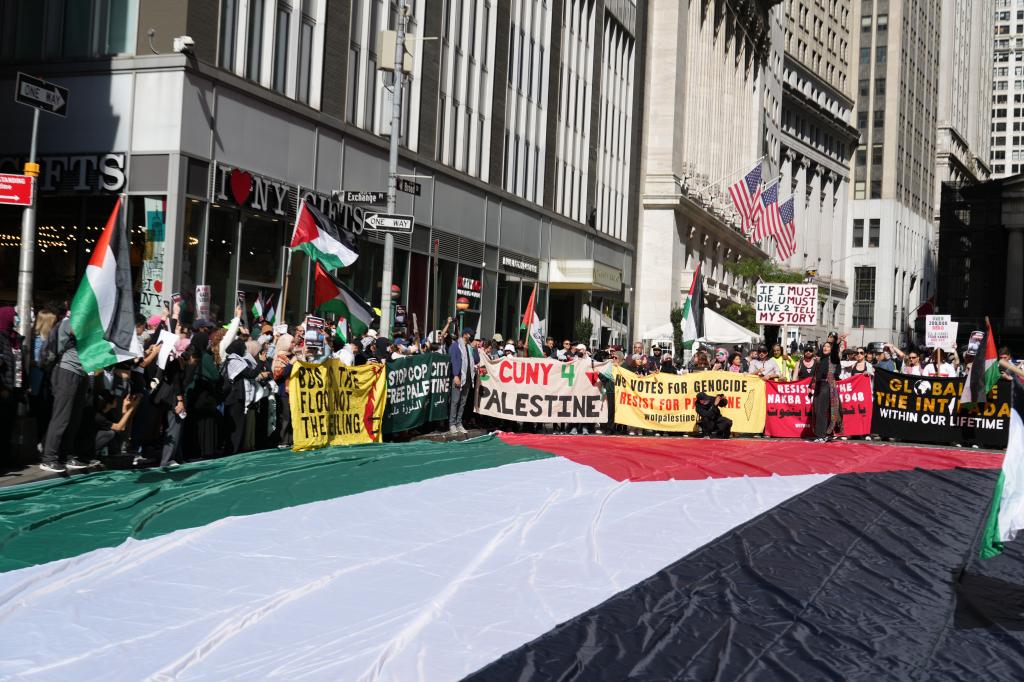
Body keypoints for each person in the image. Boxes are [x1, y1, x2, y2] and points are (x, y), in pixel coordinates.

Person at [40, 313, 93, 473]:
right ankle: (49, 458)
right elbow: (79, 333)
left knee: (74, 418)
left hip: (81, 373)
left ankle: (66, 455)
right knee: (61, 417)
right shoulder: (69, 321)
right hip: (66, 371)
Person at [809, 334, 845, 442]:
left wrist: (837, 342)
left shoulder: (832, 358)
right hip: (819, 386)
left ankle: (822, 435)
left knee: (822, 411)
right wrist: (811, 386)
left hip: (827, 386)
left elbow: (837, 370)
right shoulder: (821, 359)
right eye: (824, 346)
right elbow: (816, 373)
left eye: (828, 347)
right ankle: (823, 434)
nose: (825, 348)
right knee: (817, 410)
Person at [448, 327, 476, 435]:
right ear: (465, 334)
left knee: (463, 402)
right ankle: (452, 424)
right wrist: (455, 375)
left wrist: (475, 349)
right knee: (455, 401)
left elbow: (476, 360)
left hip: (468, 379)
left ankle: (459, 423)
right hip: (459, 377)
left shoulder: (469, 347)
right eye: (470, 334)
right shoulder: (456, 345)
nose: (471, 336)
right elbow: (453, 360)